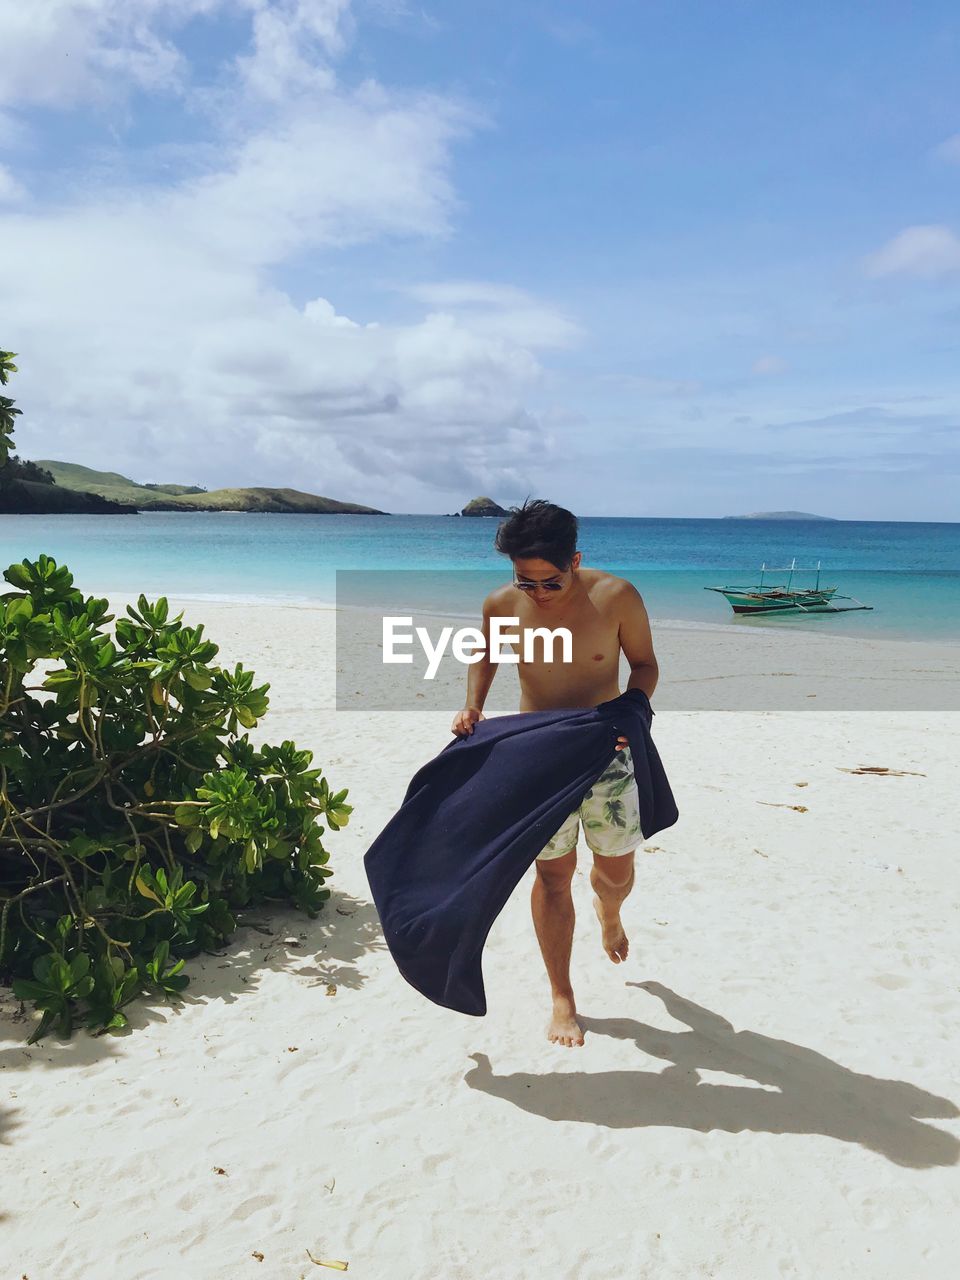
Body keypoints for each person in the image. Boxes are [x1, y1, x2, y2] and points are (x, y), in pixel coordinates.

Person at [450, 499, 660, 1048]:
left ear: (576, 559)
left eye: (550, 582)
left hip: (604, 749)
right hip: (536, 752)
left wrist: (632, 710)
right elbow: (485, 653)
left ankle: (609, 913)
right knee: (551, 875)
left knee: (614, 875)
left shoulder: (616, 597)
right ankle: (562, 995)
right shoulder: (501, 603)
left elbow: (644, 665)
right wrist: (473, 705)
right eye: (526, 582)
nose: (538, 594)